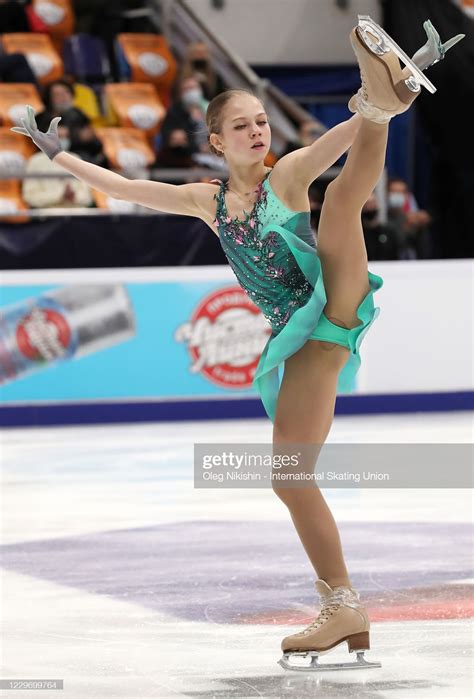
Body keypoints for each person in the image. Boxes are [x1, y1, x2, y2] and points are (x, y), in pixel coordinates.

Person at [11, 16, 463, 671]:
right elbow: (127, 188)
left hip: (331, 291)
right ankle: (344, 604)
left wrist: (388, 101)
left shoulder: (290, 175)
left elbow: (339, 142)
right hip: (304, 336)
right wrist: (60, 156)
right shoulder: (208, 199)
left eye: (262, 120)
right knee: (290, 475)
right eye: (243, 125)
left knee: (338, 200)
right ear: (217, 140)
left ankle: (342, 603)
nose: (258, 130)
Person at [362, 192, 401, 260]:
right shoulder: (357, 234)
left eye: (372, 203)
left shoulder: (389, 232)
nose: (370, 207)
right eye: (367, 203)